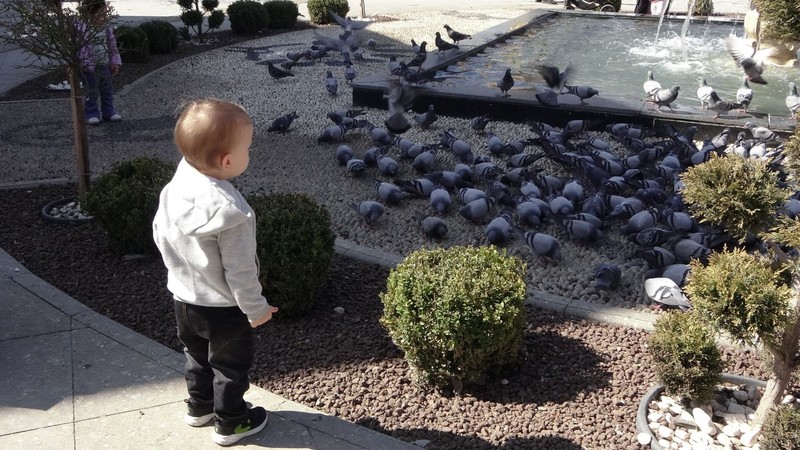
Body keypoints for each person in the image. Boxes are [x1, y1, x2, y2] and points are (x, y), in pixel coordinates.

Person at [152, 98, 279, 446]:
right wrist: (256, 309)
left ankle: (199, 407)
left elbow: (159, 233)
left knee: (195, 356)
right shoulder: (232, 213)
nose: (249, 154)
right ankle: (231, 422)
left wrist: (177, 274)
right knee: (229, 366)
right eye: (247, 149)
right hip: (224, 309)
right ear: (226, 161)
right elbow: (238, 270)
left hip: (184, 300)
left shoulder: (174, 187)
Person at [78, 0, 121, 124]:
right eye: (101, 14)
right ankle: (91, 113)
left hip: (104, 65)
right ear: (90, 13)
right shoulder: (83, 29)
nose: (105, 17)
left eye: (106, 14)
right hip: (90, 68)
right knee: (91, 92)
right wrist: (83, 63)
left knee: (107, 90)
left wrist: (115, 62)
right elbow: (80, 49)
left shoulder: (106, 29)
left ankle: (109, 111)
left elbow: (112, 46)